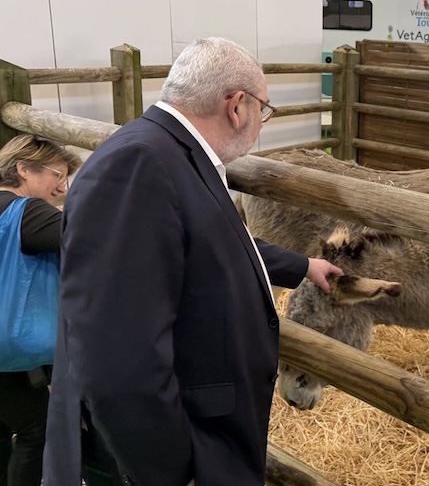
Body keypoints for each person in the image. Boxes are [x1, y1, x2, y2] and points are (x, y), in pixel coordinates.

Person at [44, 37, 343, 485]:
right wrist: (175, 468)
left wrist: (302, 266)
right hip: (163, 455)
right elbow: (121, 361)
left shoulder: (169, 151)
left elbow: (201, 241)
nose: (261, 122)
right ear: (236, 105)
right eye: (264, 109)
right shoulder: (138, 165)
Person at [0, 135, 81, 486]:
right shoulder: (27, 212)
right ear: (23, 169)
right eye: (56, 175)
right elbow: (87, 238)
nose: (61, 187)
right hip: (10, 353)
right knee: (37, 431)